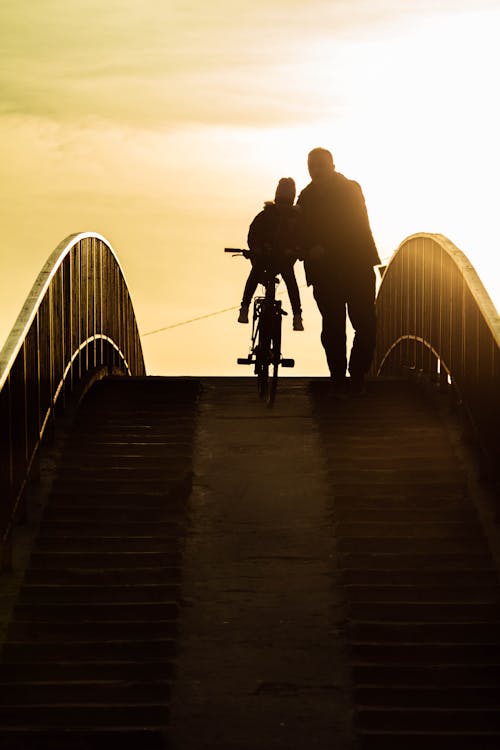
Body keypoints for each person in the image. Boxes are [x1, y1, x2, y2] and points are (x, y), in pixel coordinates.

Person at [297, 147, 381, 394]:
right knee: (333, 326)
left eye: (321, 165)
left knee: (365, 323)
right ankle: (337, 376)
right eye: (312, 166)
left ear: (332, 165)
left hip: (355, 264)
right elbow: (299, 229)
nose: (317, 170)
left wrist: (324, 246)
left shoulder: (350, 189)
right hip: (325, 272)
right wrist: (304, 248)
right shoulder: (306, 196)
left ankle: (356, 373)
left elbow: (353, 224)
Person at [238, 177, 304, 331]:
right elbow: (253, 234)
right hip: (264, 257)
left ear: (292, 202)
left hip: (284, 259)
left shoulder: (296, 219)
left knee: (290, 278)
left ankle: (297, 315)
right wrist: (256, 248)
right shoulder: (265, 216)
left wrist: (295, 250)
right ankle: (244, 307)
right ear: (276, 199)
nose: (283, 205)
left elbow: (301, 237)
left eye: (287, 202)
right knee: (255, 272)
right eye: (280, 201)